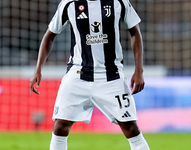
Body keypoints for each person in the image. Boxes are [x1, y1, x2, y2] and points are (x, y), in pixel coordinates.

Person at [30, 0, 150, 149]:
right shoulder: (69, 3)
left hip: (111, 76)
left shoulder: (119, 2)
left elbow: (135, 31)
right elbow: (49, 35)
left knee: (131, 128)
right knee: (60, 125)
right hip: (78, 75)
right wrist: (38, 68)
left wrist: (139, 70)